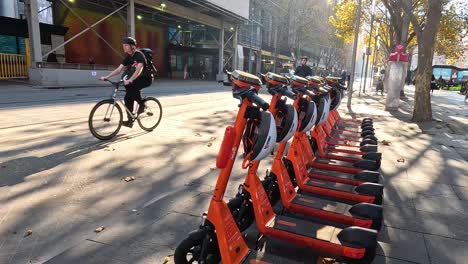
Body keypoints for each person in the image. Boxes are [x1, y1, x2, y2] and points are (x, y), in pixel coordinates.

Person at [100, 37, 152, 127]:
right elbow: (119, 69)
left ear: (132, 46)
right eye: (123, 45)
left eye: (126, 45)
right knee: (127, 98)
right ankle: (130, 120)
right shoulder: (128, 57)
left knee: (132, 87)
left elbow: (140, 68)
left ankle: (142, 104)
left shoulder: (139, 55)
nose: (124, 47)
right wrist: (106, 77)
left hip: (146, 78)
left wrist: (131, 79)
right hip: (137, 78)